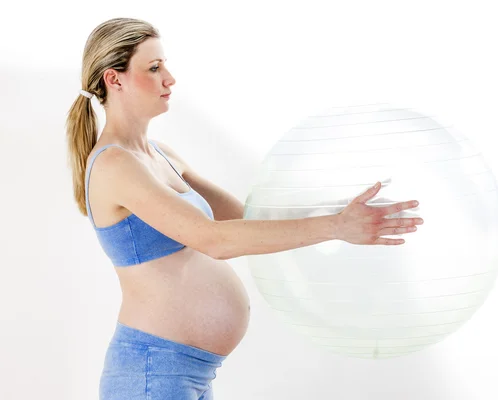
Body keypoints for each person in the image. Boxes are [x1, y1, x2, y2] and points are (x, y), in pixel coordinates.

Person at [65, 17, 424, 400]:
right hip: (152, 375)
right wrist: (335, 227)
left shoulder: (159, 156)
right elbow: (214, 240)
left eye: (165, 65)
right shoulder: (115, 165)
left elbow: (248, 216)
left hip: (186, 375)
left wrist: (342, 209)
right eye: (154, 68)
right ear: (113, 80)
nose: (170, 78)